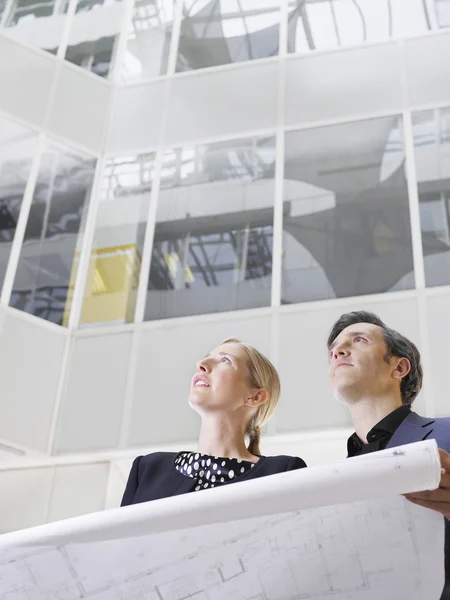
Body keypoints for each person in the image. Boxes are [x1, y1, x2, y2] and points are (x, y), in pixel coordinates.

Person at [327, 310, 450, 599]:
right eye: (333, 350)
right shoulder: (332, 484)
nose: (338, 352)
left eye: (359, 340)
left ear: (399, 368)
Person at [121, 338, 306, 506]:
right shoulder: (147, 469)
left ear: (255, 396)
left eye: (225, 361)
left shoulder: (282, 474)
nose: (200, 364)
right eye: (205, 358)